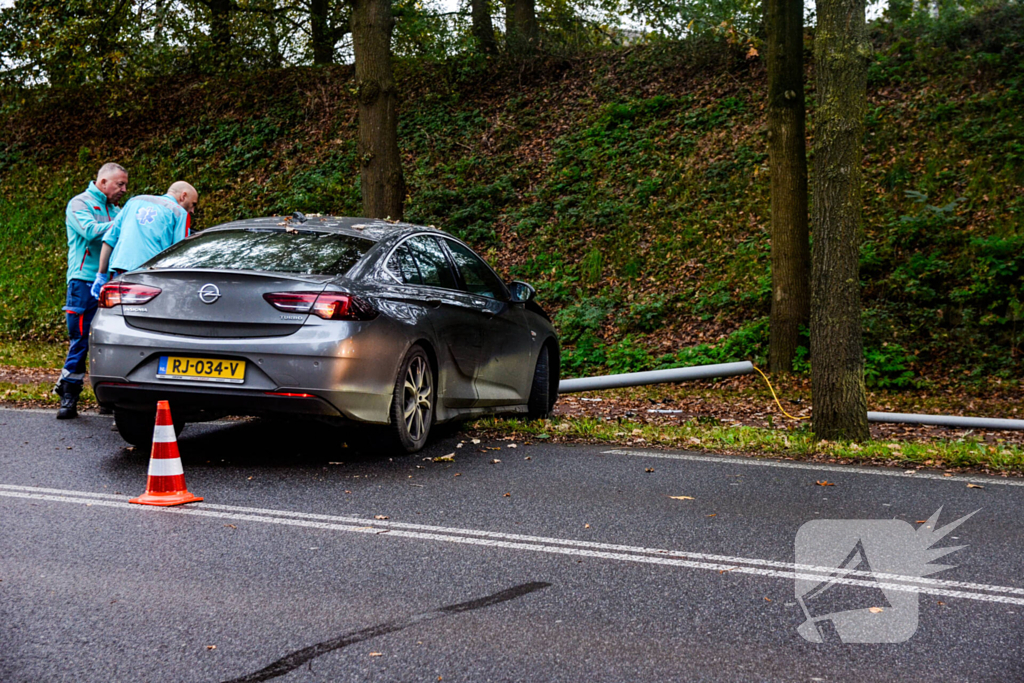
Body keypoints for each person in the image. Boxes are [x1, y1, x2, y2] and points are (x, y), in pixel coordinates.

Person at [56, 163, 128, 419]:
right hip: (83, 282)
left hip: (111, 283)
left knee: (111, 339)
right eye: (120, 184)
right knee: (81, 340)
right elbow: (89, 232)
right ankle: (69, 394)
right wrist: (122, 225)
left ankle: (107, 397)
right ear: (103, 181)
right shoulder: (80, 204)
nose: (123, 189)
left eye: (125, 185)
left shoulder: (116, 209)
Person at [93, 181, 198, 291]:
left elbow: (109, 239)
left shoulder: (134, 201)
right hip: (151, 276)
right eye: (193, 204)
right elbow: (180, 254)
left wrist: (101, 275)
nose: (192, 210)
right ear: (183, 196)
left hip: (121, 272)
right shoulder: (180, 213)